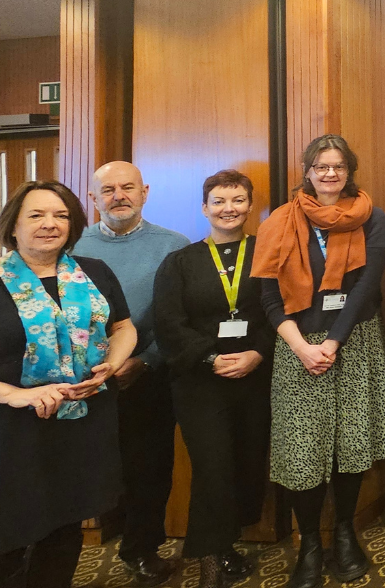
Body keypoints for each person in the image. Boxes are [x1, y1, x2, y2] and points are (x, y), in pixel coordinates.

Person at [252, 134, 385, 588]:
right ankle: (311, 543)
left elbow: (367, 287)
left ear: (350, 171)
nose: (330, 174)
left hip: (355, 341)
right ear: (307, 171)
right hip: (297, 345)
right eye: (321, 166)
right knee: (302, 450)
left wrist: (333, 341)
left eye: (338, 166)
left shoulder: (372, 217)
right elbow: (270, 296)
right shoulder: (279, 220)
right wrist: (300, 346)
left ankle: (346, 531)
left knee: (352, 445)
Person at [0, 181, 137, 588]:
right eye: (37, 215)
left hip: (82, 420)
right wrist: (21, 395)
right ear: (13, 226)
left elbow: (124, 327)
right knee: (12, 528)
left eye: (60, 215)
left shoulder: (93, 272)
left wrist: (112, 364)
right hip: (14, 428)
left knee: (66, 523)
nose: (50, 224)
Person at [153, 171, 273, 587]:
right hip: (201, 382)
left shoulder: (266, 253)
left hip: (255, 377)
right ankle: (208, 561)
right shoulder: (180, 262)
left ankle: (225, 545)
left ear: (250, 205)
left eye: (238, 200)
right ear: (205, 208)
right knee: (212, 466)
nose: (229, 209)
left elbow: (279, 311)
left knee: (245, 462)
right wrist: (210, 357)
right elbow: (168, 322)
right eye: (219, 201)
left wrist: (257, 352)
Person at [73, 161, 190, 586]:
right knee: (87, 467)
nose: (118, 196)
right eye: (107, 190)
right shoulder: (71, 245)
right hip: (81, 381)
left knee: (149, 469)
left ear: (145, 191)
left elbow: (180, 318)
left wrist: (145, 361)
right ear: (92, 198)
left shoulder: (173, 245)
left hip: (147, 375)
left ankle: (141, 549)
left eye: (127, 187)